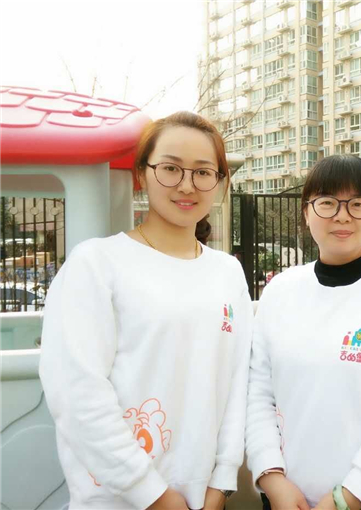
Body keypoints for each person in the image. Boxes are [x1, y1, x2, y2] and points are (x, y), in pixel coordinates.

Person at [39, 112, 253, 510]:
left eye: (203, 172)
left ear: (219, 182)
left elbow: (237, 380)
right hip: (117, 499)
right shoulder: (97, 263)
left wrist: (222, 481)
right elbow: (76, 391)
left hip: (204, 497)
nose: (187, 185)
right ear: (142, 173)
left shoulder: (228, 272)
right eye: (170, 168)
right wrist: (151, 494)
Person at [245, 155, 361, 510]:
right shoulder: (279, 292)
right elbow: (258, 394)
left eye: (357, 204)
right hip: (288, 499)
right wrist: (271, 478)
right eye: (328, 203)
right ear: (306, 212)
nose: (343, 215)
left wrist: (347, 498)